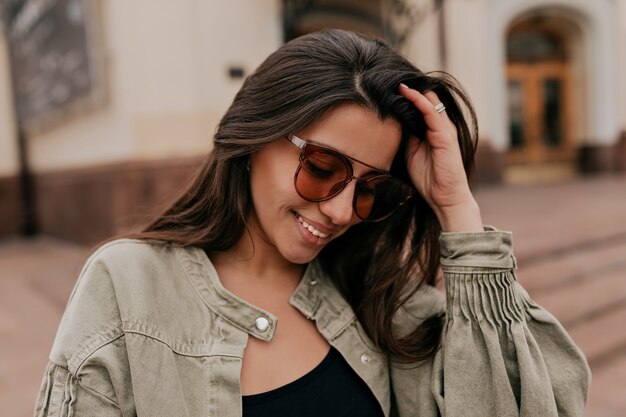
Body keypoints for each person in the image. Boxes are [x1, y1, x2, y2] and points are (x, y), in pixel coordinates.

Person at [34, 29, 590, 417]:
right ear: (254, 136)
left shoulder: (385, 304)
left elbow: (536, 404)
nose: (343, 211)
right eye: (323, 168)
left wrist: (457, 211)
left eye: (374, 189)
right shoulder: (129, 285)